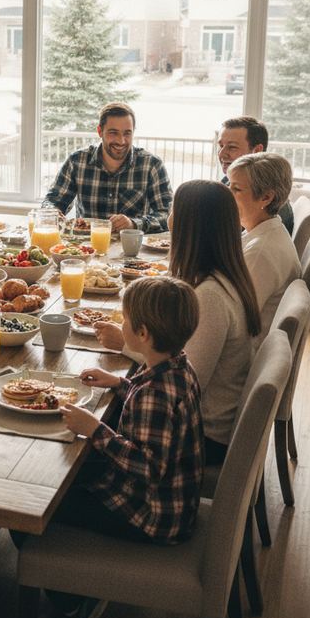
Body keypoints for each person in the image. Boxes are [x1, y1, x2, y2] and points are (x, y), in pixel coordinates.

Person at [42, 276, 204, 618]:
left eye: (125, 319)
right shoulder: (176, 367)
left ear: (142, 334)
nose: (122, 323)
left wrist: (95, 429)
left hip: (150, 514)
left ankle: (75, 606)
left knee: (35, 503)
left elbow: (148, 468)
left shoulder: (155, 396)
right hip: (171, 501)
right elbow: (148, 401)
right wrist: (119, 383)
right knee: (66, 472)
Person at [96, 180, 260, 466]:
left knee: (87, 422)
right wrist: (123, 382)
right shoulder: (221, 275)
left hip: (199, 436)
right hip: (191, 422)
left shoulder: (210, 296)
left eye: (174, 211)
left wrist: (125, 344)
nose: (169, 219)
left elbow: (186, 377)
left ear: (190, 227)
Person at [44, 102, 173, 233]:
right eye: (113, 133)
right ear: (100, 131)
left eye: (127, 133)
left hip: (131, 244)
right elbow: (52, 201)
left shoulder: (152, 165)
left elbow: (167, 215)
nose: (121, 141)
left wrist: (134, 224)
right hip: (85, 244)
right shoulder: (76, 161)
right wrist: (52, 213)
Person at [227, 152, 301, 344]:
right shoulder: (265, 231)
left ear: (266, 197)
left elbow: (232, 318)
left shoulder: (260, 253)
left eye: (236, 189)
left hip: (242, 351)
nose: (227, 194)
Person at [217, 116, 294, 233]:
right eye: (221, 146)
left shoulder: (265, 209)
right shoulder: (230, 181)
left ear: (257, 151)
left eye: (232, 147)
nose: (222, 154)